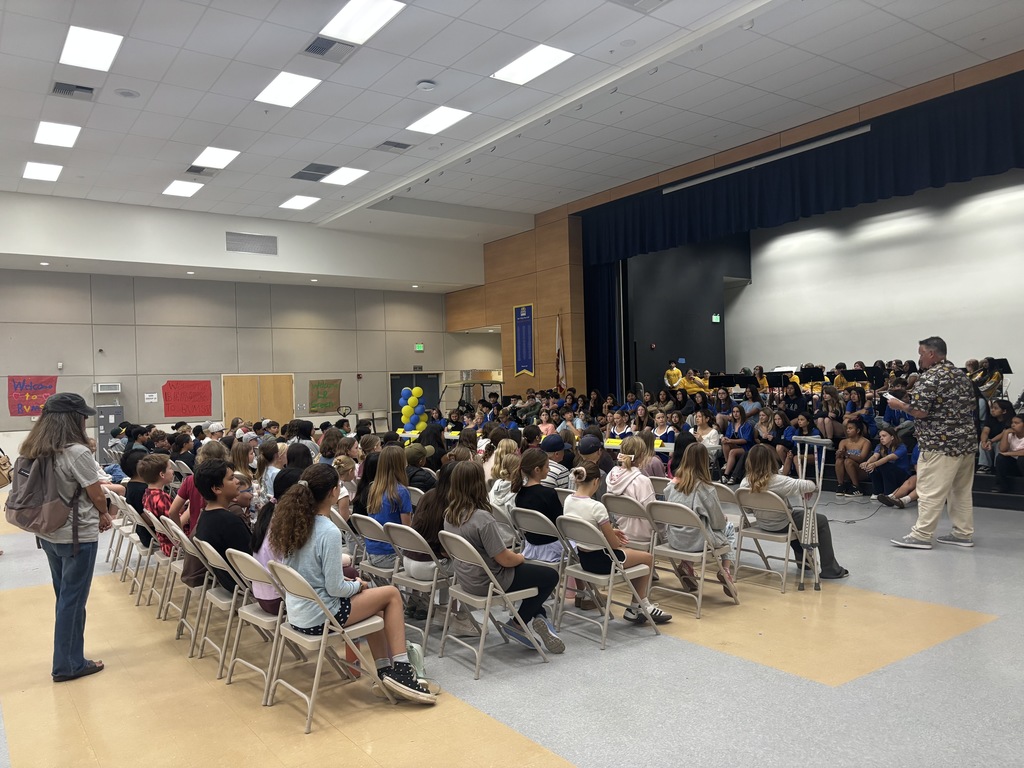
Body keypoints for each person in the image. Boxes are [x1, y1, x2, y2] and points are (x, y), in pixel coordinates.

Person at [269, 464, 436, 704]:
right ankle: (401, 667)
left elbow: (307, 573)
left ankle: (385, 671)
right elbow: (335, 589)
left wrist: (349, 584)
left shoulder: (294, 523)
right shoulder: (328, 530)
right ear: (334, 492)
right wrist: (358, 586)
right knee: (391, 594)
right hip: (323, 618)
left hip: (298, 615)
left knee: (378, 607)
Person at [20, 393, 114, 682]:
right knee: (73, 600)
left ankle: (71, 656)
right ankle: (67, 664)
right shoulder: (76, 452)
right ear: (74, 419)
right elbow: (95, 491)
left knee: (64, 596)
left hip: (48, 530)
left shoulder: (33, 447)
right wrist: (104, 513)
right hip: (77, 534)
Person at [443, 461, 565, 653]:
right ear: (478, 485)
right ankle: (517, 624)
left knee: (533, 579)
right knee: (550, 576)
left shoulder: (449, 515)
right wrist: (521, 557)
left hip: (467, 579)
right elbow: (505, 560)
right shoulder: (482, 518)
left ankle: (539, 616)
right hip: (492, 580)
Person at [887, 337, 978, 549]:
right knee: (961, 491)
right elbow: (967, 405)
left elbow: (920, 411)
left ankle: (921, 535)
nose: (919, 358)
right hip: (965, 443)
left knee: (929, 490)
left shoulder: (930, 377)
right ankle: (963, 533)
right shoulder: (961, 375)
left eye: (920, 354)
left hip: (940, 444)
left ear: (930, 354)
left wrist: (899, 405)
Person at [564, 462, 671, 624]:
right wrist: (617, 540)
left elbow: (584, 526)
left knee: (632, 554)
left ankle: (639, 606)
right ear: (596, 482)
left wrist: (603, 533)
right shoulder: (596, 506)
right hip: (604, 562)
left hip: (584, 559)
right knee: (647, 558)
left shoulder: (568, 500)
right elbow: (614, 545)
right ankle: (639, 605)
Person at [740, 445, 849, 579]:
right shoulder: (779, 481)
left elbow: (747, 510)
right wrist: (808, 488)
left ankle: (804, 561)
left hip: (763, 524)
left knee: (796, 519)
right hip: (783, 524)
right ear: (770, 460)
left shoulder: (744, 483)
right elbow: (809, 485)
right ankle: (830, 569)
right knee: (820, 520)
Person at [664, 443, 737, 596]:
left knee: (694, 525)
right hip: (697, 542)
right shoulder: (706, 488)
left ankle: (687, 565)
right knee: (729, 528)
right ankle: (725, 569)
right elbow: (718, 523)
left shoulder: (671, 485)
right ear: (705, 462)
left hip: (674, 538)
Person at [863, 427, 912, 500]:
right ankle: (877, 492)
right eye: (880, 437)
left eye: (884, 436)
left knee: (885, 465)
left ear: (892, 437)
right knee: (873, 467)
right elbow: (875, 456)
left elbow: (889, 458)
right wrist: (867, 463)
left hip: (902, 474)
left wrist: (874, 464)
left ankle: (889, 492)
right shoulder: (879, 446)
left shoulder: (901, 447)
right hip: (888, 472)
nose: (881, 438)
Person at [834, 421, 872, 497]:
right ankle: (841, 485)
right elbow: (839, 457)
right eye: (847, 428)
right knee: (839, 461)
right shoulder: (843, 442)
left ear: (858, 430)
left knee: (848, 461)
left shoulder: (865, 442)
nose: (847, 430)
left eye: (850, 428)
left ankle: (856, 487)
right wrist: (839, 454)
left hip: (862, 470)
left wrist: (847, 455)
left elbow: (861, 459)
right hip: (846, 470)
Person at [993, 414, 1024, 494]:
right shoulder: (1010, 435)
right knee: (1000, 458)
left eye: (1017, 423)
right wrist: (1006, 433)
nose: (1013, 425)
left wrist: (1009, 453)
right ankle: (1002, 486)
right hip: (1014, 465)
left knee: (1022, 459)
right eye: (1012, 423)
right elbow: (1003, 449)